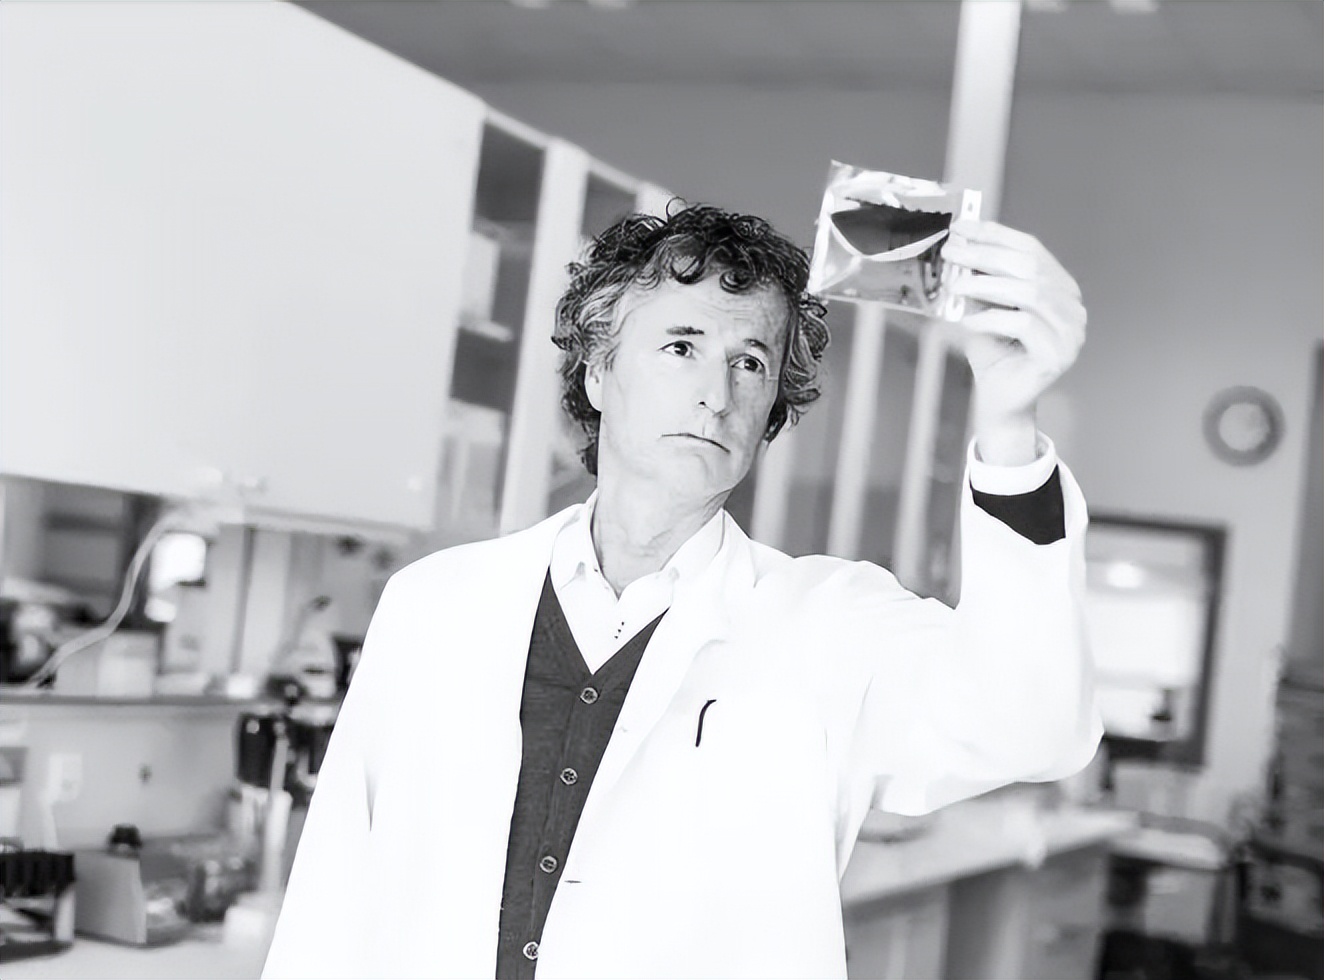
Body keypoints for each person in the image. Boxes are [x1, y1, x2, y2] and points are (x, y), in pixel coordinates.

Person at [262, 203, 1100, 979]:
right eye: (681, 346)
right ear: (597, 373)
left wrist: (1008, 426)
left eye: (750, 362)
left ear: (771, 413)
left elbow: (1030, 726)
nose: (716, 392)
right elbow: (333, 897)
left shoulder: (829, 624)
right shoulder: (435, 606)